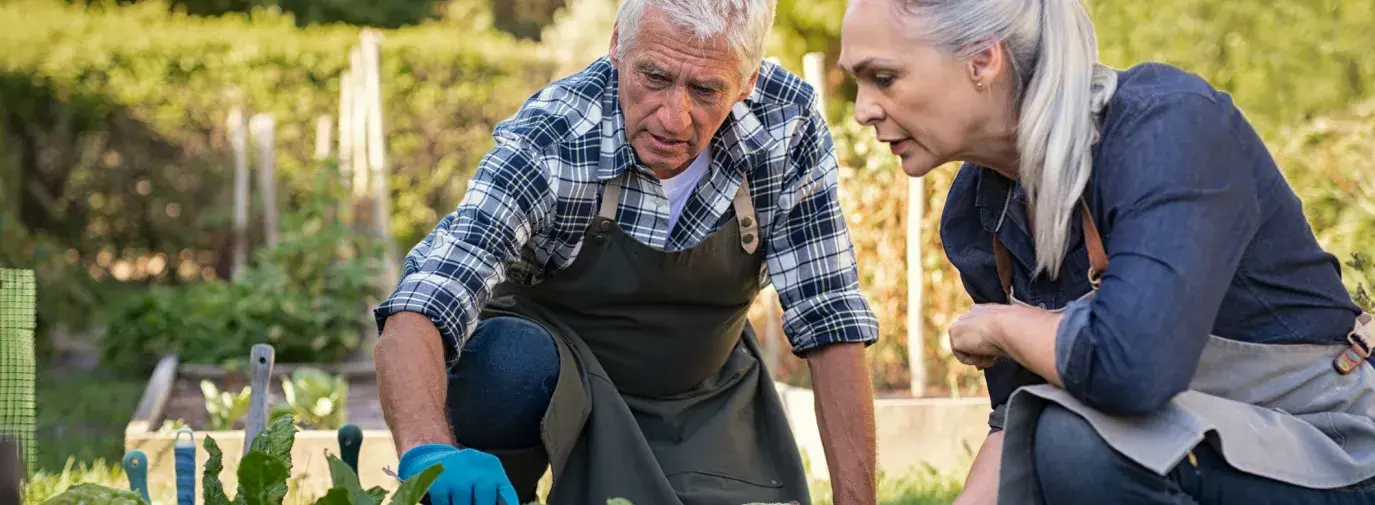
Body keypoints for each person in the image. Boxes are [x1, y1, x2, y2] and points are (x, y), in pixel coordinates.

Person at [836, 0, 1375, 504]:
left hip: (1331, 445)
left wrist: (1002, 325)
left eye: (883, 78)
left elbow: (1131, 367)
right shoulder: (978, 214)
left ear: (982, 59)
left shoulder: (1169, 128)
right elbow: (1017, 420)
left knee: (1075, 442)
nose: (863, 111)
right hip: (1190, 447)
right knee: (1053, 433)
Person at [371, 1, 882, 504]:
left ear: (747, 82)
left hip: (701, 391)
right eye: (654, 77)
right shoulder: (555, 137)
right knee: (507, 363)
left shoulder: (785, 123)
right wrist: (427, 450)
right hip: (555, 378)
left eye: (705, 89)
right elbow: (430, 295)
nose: (673, 118)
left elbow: (828, 314)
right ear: (618, 43)